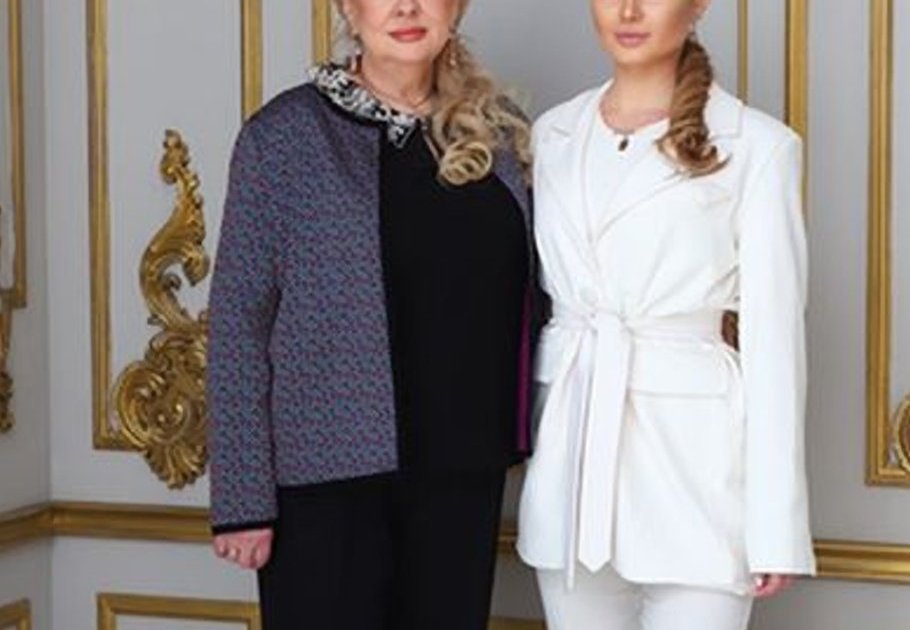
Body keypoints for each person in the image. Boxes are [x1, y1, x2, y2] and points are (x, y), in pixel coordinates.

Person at [205, 1, 535, 628]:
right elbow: (237, 323)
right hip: (326, 484)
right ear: (348, 10)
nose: (406, 7)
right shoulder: (283, 137)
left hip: (464, 476)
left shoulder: (501, 133)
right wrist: (243, 499)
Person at [517, 1, 816, 628]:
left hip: (697, 474)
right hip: (571, 469)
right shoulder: (551, 135)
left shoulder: (760, 147)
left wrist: (777, 527)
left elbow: (775, 344)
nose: (628, 11)